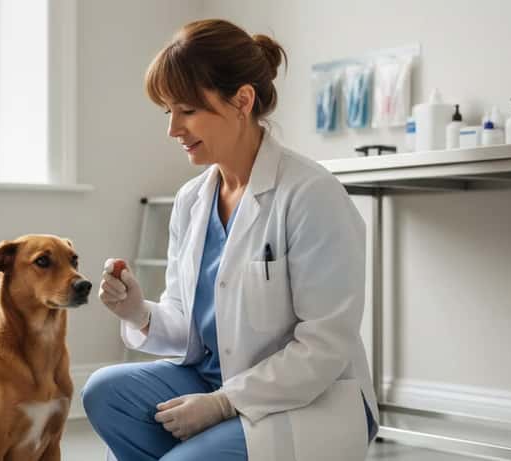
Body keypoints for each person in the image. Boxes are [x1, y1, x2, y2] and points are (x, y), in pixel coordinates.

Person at [82, 19, 379, 461]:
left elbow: (325, 346)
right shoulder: (191, 200)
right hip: (210, 381)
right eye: (169, 112)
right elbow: (189, 324)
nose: (173, 129)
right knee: (104, 391)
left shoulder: (311, 195)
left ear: (242, 100)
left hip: (310, 400)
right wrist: (138, 312)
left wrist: (224, 403)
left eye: (187, 110)